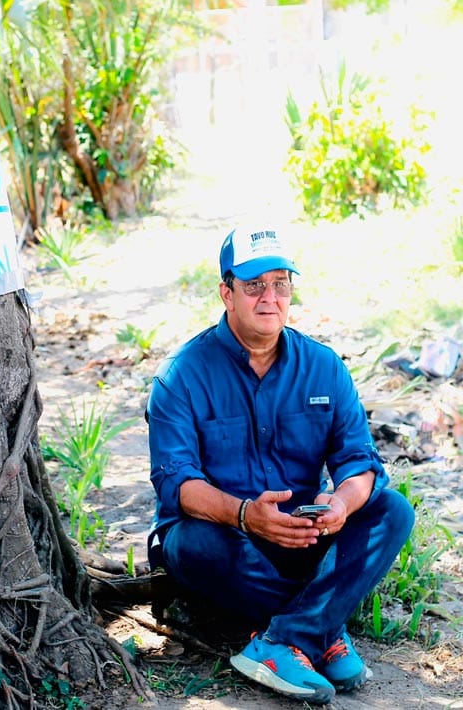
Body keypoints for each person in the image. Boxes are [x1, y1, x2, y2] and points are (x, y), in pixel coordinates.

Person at [145, 223, 415, 704]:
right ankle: (322, 626)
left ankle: (288, 638)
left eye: (280, 284)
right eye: (254, 287)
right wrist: (247, 515)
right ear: (227, 293)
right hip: (230, 540)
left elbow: (359, 460)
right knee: (188, 544)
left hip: (303, 534)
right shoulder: (181, 376)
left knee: (392, 510)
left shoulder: (324, 366)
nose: (270, 298)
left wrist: (342, 504)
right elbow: (177, 484)